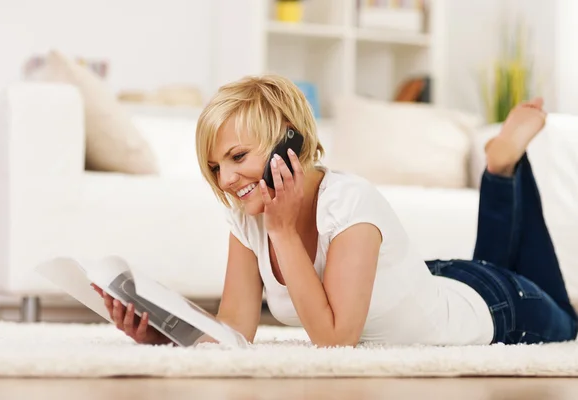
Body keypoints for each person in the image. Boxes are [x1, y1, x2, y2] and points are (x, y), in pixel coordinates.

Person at [94, 75, 578, 347]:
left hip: (492, 306)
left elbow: (335, 342)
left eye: (239, 158)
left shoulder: (350, 202)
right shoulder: (247, 218)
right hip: (430, 282)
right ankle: (501, 168)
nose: (225, 181)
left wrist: (283, 233)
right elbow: (236, 329)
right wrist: (163, 332)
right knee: (493, 259)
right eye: (216, 166)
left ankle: (501, 168)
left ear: (290, 140)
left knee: (568, 324)